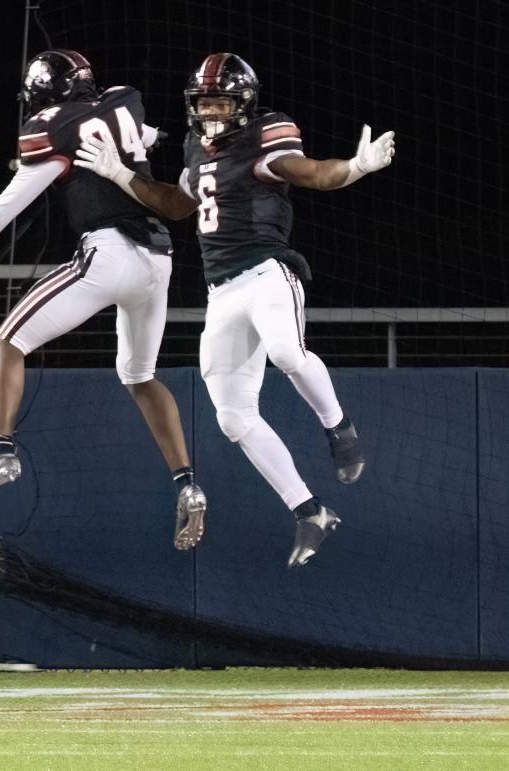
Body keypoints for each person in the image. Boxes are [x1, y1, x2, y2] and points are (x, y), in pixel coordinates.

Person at [74, 53, 395, 568]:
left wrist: (354, 168)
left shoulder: (265, 134)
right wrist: (117, 173)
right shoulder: (195, 145)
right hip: (221, 292)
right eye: (204, 103)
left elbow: (311, 173)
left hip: (268, 271)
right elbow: (176, 205)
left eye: (221, 101)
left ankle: (340, 430)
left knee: (288, 352)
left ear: (244, 103)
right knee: (231, 416)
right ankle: (310, 512)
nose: (211, 112)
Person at [0, 49, 207, 550]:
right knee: (140, 377)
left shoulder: (52, 129)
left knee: (7, 341)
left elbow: (1, 212)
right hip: (159, 261)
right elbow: (138, 135)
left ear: (43, 95)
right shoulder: (125, 98)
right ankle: (187, 482)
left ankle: (2, 450)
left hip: (108, 254)